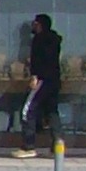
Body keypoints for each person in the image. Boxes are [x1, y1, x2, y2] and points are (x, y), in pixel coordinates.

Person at [16, 13, 64, 157]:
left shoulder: (39, 40)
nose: (33, 26)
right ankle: (58, 144)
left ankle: (28, 145)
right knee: (52, 111)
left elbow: (39, 60)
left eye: (36, 24)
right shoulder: (55, 40)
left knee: (28, 109)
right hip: (54, 80)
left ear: (41, 25)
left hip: (42, 79)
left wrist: (35, 75)